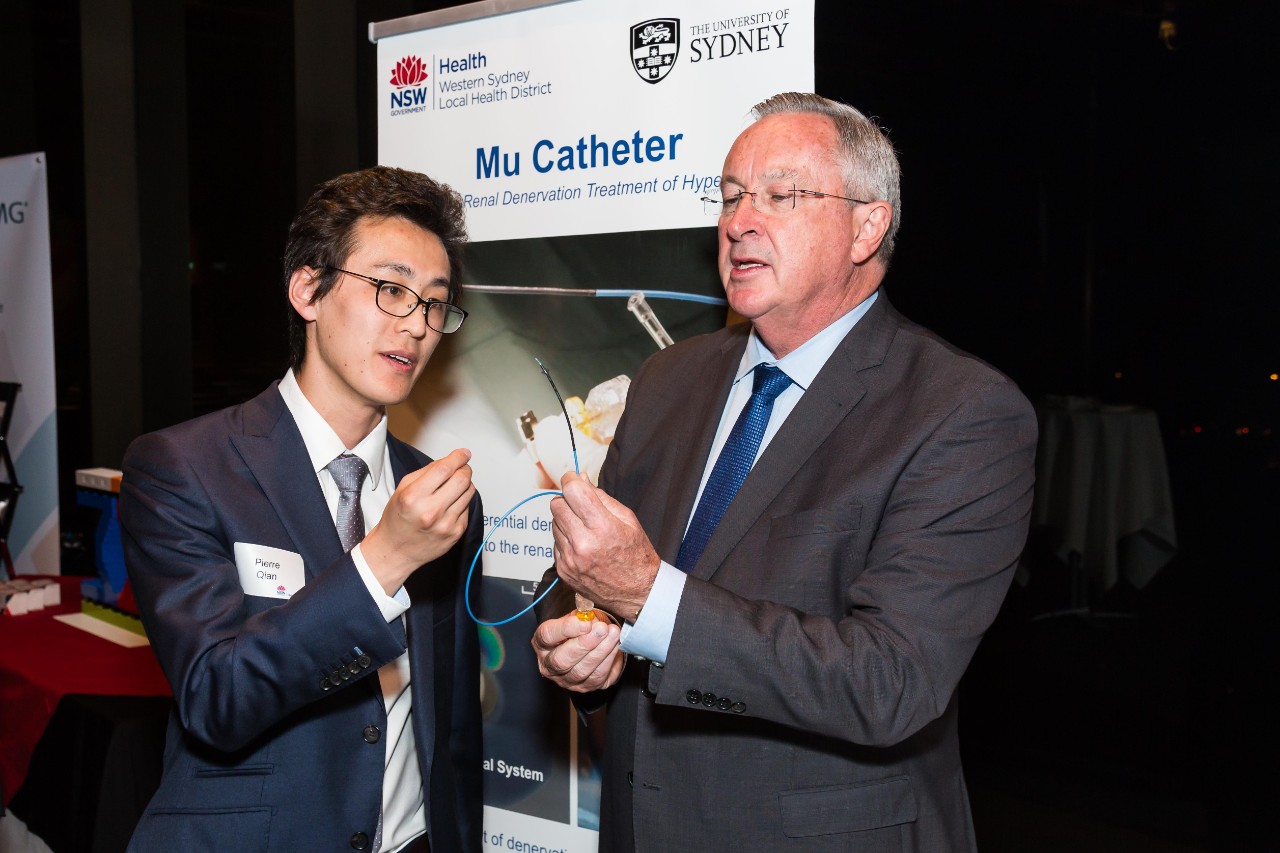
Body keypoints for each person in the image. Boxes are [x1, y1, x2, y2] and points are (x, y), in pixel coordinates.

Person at [531, 92, 1037, 851]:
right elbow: (593, 570)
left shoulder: (962, 412)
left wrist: (647, 596)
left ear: (868, 225)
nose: (740, 220)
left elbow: (892, 679)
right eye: (732, 195)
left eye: (781, 194)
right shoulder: (670, 378)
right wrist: (579, 629)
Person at [120, 166, 483, 853]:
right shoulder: (184, 468)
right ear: (308, 288)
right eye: (390, 289)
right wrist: (383, 560)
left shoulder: (438, 496)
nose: (416, 325)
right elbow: (216, 699)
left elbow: (451, 727)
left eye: (435, 303)